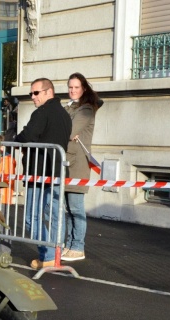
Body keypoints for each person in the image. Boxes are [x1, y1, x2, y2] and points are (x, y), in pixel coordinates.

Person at [14, 78, 72, 269]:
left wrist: (16, 138)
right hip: (56, 172)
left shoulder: (42, 112)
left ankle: (47, 255)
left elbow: (28, 135)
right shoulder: (64, 114)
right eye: (31, 93)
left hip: (40, 173)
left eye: (36, 93)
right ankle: (54, 255)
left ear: (48, 92)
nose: (32, 97)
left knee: (32, 217)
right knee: (55, 215)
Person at [62, 72, 102, 263]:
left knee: (76, 207)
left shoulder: (85, 109)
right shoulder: (69, 107)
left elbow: (68, 131)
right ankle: (69, 245)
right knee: (67, 209)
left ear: (83, 88)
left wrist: (68, 131)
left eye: (76, 87)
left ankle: (78, 246)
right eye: (70, 87)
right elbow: (60, 128)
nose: (72, 90)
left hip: (77, 164)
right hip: (65, 162)